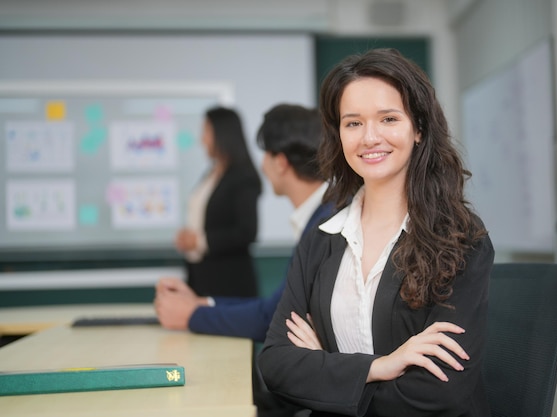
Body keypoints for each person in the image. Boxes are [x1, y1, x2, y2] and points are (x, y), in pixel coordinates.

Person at [258, 48, 495, 417]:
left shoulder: (461, 238)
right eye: (353, 123)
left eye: (388, 118)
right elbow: (275, 364)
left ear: (418, 128)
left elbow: (438, 393)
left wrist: (326, 369)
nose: (369, 137)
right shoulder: (323, 234)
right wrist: (377, 367)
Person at [154, 104, 334, 341]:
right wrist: (201, 303)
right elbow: (273, 308)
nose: (262, 166)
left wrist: (193, 313)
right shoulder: (324, 214)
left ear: (280, 163)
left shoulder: (325, 225)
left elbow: (272, 317)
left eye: (266, 156)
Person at [174, 107, 261, 298]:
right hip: (200, 276)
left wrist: (200, 240)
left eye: (206, 131)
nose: (202, 139)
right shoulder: (211, 174)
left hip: (228, 283)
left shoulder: (242, 177)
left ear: (223, 133)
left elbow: (247, 232)